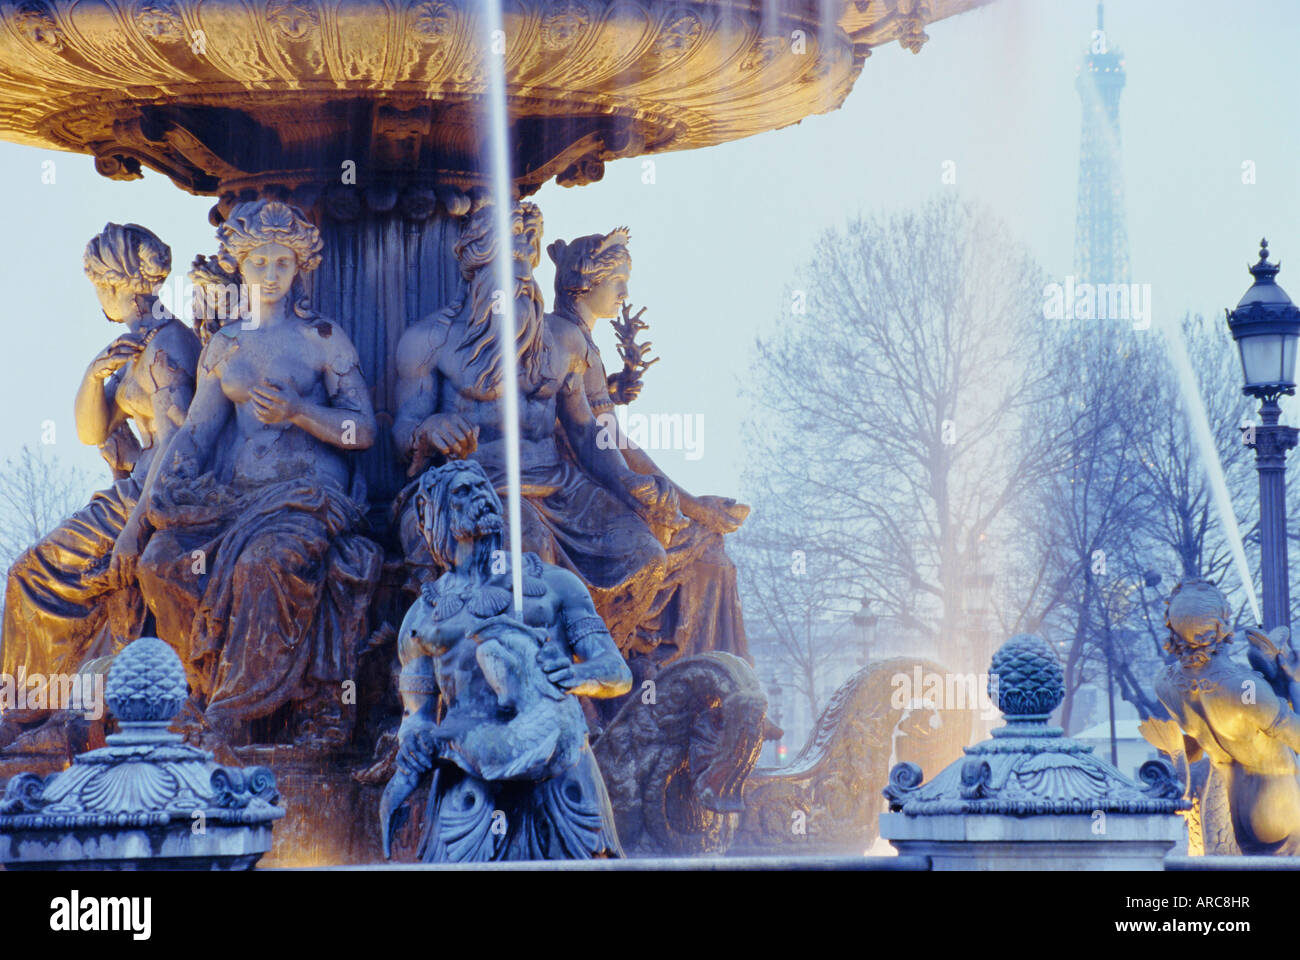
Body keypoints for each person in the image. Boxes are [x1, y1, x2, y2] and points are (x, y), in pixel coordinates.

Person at [134, 199, 382, 749]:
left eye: (283, 264)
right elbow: (197, 431)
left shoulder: (322, 339)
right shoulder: (225, 347)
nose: (271, 275)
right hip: (235, 499)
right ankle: (199, 694)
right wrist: (172, 481)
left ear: (299, 269)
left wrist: (301, 413)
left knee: (263, 563)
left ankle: (234, 710)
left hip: (306, 498)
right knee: (161, 562)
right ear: (239, 265)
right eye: (259, 263)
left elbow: (362, 432)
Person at [391, 200, 681, 655]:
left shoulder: (563, 342)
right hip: (478, 488)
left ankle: (588, 672)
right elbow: (403, 430)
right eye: (511, 251)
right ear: (478, 261)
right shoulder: (430, 341)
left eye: (530, 249)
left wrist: (626, 479)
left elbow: (586, 432)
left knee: (645, 553)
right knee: (529, 548)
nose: (523, 266)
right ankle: (525, 689)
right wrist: (429, 428)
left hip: (559, 488)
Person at [1, 223, 198, 751]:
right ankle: (44, 709)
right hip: (132, 490)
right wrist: (94, 375)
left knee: (31, 573)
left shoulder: (168, 344)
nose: (97, 296)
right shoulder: (137, 342)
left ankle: (26, 713)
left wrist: (136, 527)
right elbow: (93, 431)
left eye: (97, 284)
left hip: (151, 496)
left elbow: (178, 443)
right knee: (36, 572)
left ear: (114, 283)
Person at [384, 459, 631, 860]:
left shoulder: (556, 585)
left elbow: (617, 673)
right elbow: (418, 717)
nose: (480, 495)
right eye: (462, 493)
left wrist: (578, 674)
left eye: (482, 488)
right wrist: (412, 739)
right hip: (469, 776)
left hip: (558, 768)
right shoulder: (421, 618)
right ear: (437, 519)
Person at [546, 228, 750, 677]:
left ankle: (714, 685)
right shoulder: (564, 335)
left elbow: (603, 430)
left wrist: (608, 394)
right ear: (585, 280)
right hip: (568, 494)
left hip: (592, 479)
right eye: (617, 279)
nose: (624, 293)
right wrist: (688, 504)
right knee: (705, 559)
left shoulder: (578, 338)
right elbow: (598, 437)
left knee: (708, 552)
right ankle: (680, 683)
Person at [1156, 578, 1300, 854]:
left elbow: (1197, 745)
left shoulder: (1165, 683)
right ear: (1220, 627)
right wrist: (1294, 682)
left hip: (1229, 802)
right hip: (1275, 801)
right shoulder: (1245, 688)